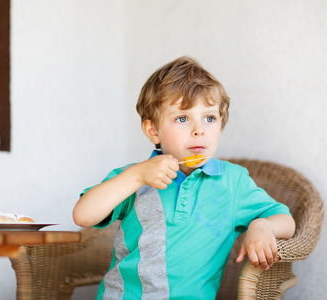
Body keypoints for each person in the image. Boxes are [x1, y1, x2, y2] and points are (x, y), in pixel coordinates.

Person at [73, 56, 295, 299]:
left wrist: (262, 225)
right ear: (153, 130)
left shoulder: (234, 182)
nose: (198, 129)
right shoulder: (134, 177)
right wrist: (137, 176)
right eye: (182, 118)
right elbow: (83, 216)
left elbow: (286, 220)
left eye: (209, 118)